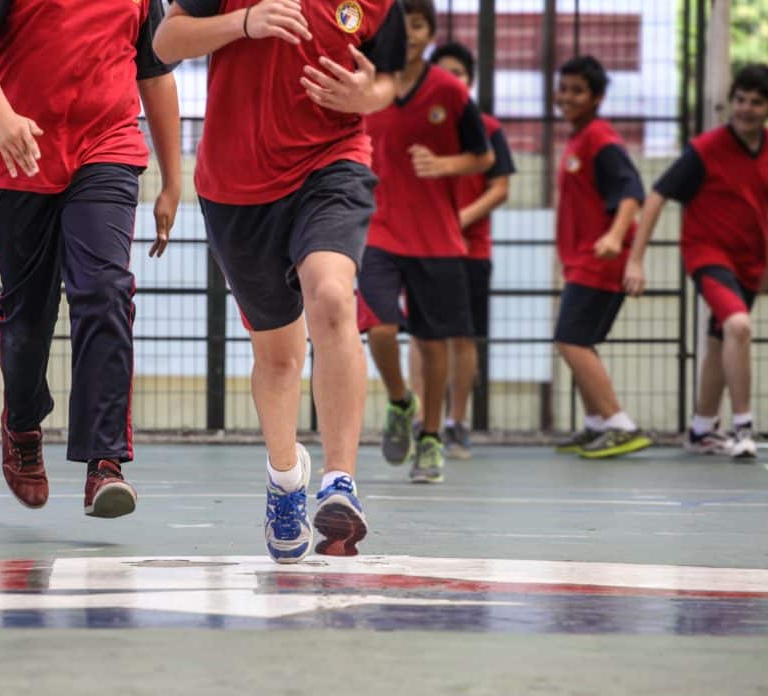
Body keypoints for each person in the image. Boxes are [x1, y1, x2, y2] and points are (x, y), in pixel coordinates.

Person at [154, 0, 405, 561]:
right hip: (236, 187)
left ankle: (340, 481)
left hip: (333, 161)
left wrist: (370, 96)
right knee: (279, 356)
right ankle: (285, 477)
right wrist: (244, 23)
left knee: (334, 296)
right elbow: (165, 43)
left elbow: (392, 78)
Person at [0, 0, 182, 516]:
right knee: (29, 313)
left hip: (107, 149)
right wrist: (2, 118)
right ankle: (23, 423)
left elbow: (156, 73)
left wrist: (172, 180)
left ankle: (104, 463)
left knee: (105, 290)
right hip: (19, 151)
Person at [625, 64, 768, 460]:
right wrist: (635, 260)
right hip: (709, 255)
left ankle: (701, 429)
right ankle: (744, 425)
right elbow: (656, 196)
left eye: (756, 102)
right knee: (738, 325)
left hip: (750, 261)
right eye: (740, 99)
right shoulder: (705, 150)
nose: (746, 108)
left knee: (721, 340)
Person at [358, 0, 493, 483]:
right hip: (376, 230)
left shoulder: (450, 92)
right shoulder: (365, 85)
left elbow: (482, 157)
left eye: (417, 24)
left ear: (429, 32)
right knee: (380, 329)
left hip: (436, 237)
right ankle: (400, 400)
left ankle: (431, 437)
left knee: (435, 343)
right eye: (400, 23)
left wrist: (444, 165)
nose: (408, 33)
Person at [405, 41, 515, 460]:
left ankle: (457, 421)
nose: (452, 80)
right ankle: (420, 415)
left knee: (463, 335)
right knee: (421, 333)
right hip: (420, 246)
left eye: (460, 74)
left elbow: (500, 187)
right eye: (445, 72)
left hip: (469, 250)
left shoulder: (487, 127)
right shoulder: (417, 121)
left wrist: (458, 218)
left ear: (469, 82)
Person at [550, 55, 651, 459]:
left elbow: (632, 191)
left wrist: (613, 236)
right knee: (580, 340)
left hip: (601, 258)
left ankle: (619, 424)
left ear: (596, 97)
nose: (567, 97)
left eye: (578, 90)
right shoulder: (580, 138)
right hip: (582, 259)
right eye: (564, 88)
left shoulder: (600, 139)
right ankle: (595, 425)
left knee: (571, 340)